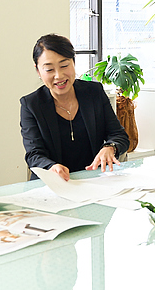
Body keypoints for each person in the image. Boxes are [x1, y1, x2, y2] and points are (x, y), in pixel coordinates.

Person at [20, 34, 129, 180]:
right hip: (53, 185)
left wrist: (110, 147)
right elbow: (34, 154)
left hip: (93, 181)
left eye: (64, 65)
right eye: (49, 70)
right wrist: (51, 167)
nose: (58, 75)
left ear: (73, 63)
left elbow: (119, 135)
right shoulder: (31, 105)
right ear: (38, 71)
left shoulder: (93, 92)